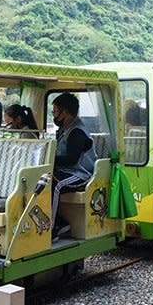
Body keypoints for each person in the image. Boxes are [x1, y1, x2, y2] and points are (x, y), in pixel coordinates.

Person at [50, 92, 96, 238]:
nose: (54, 115)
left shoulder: (77, 132)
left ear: (65, 112)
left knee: (55, 185)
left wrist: (51, 160)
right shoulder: (64, 129)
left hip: (80, 174)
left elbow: (71, 159)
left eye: (55, 112)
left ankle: (53, 226)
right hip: (66, 171)